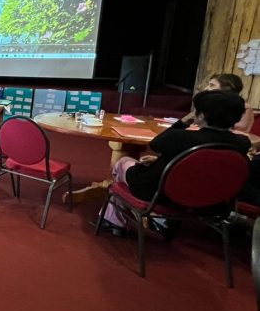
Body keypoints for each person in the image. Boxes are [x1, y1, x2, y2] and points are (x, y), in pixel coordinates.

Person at [98, 90, 251, 235]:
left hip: (162, 195)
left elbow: (155, 144)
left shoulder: (181, 137)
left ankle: (114, 221)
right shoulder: (242, 143)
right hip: (213, 202)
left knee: (123, 162)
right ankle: (161, 222)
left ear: (200, 116)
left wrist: (183, 122)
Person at [176, 73, 254, 134]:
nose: (206, 88)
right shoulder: (208, 104)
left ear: (227, 89)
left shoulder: (243, 107)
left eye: (212, 85)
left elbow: (238, 132)